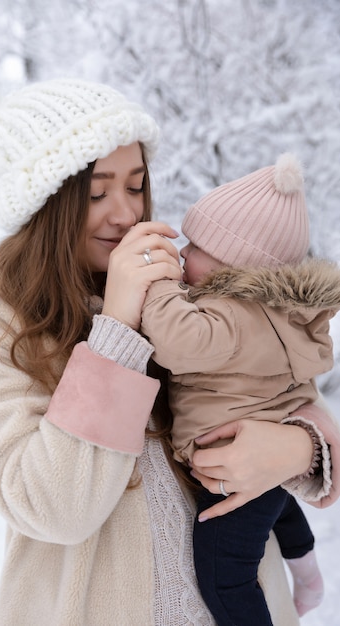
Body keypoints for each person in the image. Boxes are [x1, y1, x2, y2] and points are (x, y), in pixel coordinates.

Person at [0, 77, 340, 626]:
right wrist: (117, 331)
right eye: (97, 193)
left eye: (136, 185)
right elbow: (53, 507)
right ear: (44, 204)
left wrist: (299, 448)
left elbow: (280, 382)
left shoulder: (176, 284)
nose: (126, 214)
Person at [141, 153, 340, 624]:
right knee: (276, 504)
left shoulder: (228, 316)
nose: (184, 253)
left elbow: (174, 341)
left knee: (223, 574)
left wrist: (157, 284)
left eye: (197, 246)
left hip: (233, 460)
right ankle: (307, 571)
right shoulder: (271, 313)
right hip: (267, 457)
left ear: (235, 265)